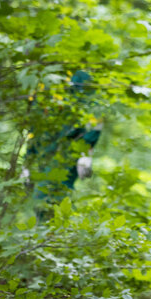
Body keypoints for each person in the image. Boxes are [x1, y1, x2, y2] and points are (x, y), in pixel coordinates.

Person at [27, 71, 102, 217]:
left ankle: (54, 235)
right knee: (41, 198)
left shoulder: (79, 73)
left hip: (69, 148)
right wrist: (27, 162)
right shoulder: (39, 75)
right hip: (43, 151)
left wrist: (85, 151)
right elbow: (33, 124)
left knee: (53, 193)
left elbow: (94, 113)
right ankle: (50, 236)